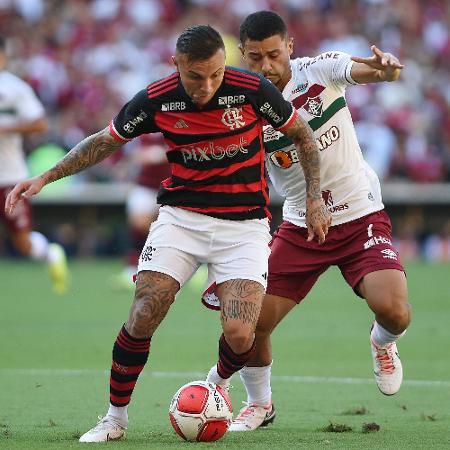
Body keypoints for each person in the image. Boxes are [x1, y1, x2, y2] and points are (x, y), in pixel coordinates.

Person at [5, 25, 331, 442]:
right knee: (143, 313)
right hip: (182, 218)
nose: (207, 86)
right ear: (176, 65)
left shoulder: (251, 89)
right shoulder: (157, 98)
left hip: (245, 226)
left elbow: (302, 135)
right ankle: (114, 419)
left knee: (240, 334)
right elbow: (105, 141)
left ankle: (217, 381)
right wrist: (46, 177)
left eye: (215, 74)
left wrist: (314, 198)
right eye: (197, 76)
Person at [203, 11, 411, 431]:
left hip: (359, 213)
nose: (266, 66)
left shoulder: (318, 71)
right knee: (252, 323)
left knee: (395, 312)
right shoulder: (239, 106)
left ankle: (382, 342)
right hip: (300, 226)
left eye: (275, 55)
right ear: (241, 55)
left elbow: (364, 69)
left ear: (290, 48)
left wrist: (385, 70)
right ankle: (261, 404)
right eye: (256, 57)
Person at [0, 35, 68, 294]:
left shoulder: (14, 88)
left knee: (23, 244)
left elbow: (40, 123)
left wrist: (5, 128)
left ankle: (50, 254)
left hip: (9, 177)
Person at [112, 134, 171, 290]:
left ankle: (195, 268)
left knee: (182, 226)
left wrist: (159, 153)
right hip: (145, 185)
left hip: (173, 186)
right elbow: (130, 154)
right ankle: (132, 269)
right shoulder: (141, 128)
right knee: (138, 223)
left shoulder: (176, 123)